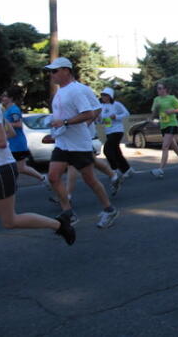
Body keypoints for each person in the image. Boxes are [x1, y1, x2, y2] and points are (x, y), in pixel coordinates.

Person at [0, 72, 75, 245]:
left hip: (0, 169)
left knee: (10, 221)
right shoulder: (2, 109)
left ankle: (59, 225)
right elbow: (9, 131)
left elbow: (2, 140)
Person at [45, 57, 118, 228]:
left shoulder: (77, 90)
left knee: (90, 180)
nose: (51, 74)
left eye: (54, 71)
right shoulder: (59, 93)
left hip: (79, 144)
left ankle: (109, 209)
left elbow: (89, 113)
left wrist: (65, 123)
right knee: (53, 177)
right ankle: (68, 213)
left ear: (66, 71)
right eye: (50, 71)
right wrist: (54, 133)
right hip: (63, 143)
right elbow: (60, 118)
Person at [66, 81, 121, 202]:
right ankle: (113, 175)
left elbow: (95, 111)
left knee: (74, 164)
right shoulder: (71, 95)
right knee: (89, 160)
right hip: (77, 132)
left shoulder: (85, 95)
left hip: (84, 132)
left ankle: (67, 196)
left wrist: (86, 124)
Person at [0, 86, 49, 187]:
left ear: (11, 98)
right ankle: (11, 187)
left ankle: (43, 178)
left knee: (20, 168)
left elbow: (18, 124)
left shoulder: (14, 110)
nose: (2, 98)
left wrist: (3, 125)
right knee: (14, 167)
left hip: (17, 144)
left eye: (5, 96)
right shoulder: (6, 110)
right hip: (11, 143)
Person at [149, 81, 178, 178]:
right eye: (157, 88)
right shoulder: (156, 99)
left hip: (172, 124)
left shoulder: (171, 98)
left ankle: (160, 170)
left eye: (160, 88)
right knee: (174, 146)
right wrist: (154, 114)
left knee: (165, 146)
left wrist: (172, 111)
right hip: (163, 125)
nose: (158, 90)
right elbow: (154, 112)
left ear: (165, 89)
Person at [99, 87, 133, 196]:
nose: (103, 97)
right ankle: (126, 169)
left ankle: (114, 171)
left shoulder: (117, 104)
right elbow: (99, 118)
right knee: (117, 152)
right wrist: (99, 119)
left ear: (110, 96)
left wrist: (116, 116)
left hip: (117, 130)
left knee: (107, 150)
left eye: (105, 95)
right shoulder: (101, 107)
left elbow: (126, 113)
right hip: (108, 131)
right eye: (102, 95)